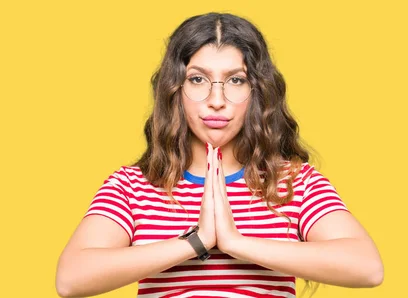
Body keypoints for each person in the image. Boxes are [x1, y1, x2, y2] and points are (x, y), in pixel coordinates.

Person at [55, 12, 383, 298]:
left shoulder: (295, 183)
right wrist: (196, 242)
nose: (216, 100)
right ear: (175, 90)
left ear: (257, 91)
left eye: (235, 80)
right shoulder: (131, 186)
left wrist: (234, 242)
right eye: (197, 79)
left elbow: (367, 269)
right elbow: (71, 279)